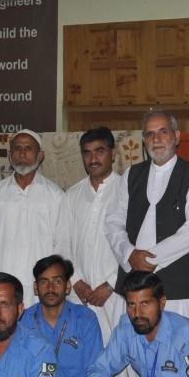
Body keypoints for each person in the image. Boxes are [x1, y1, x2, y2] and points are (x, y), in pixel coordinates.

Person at [106, 111, 189, 324]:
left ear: (176, 136)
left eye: (163, 132)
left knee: (177, 342)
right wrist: (129, 254)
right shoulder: (131, 175)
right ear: (144, 141)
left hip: (177, 291)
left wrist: (150, 259)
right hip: (132, 286)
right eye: (150, 134)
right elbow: (113, 222)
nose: (156, 139)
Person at [0, 129, 70, 298]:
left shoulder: (54, 194)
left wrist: (54, 283)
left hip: (42, 285)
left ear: (41, 155)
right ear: (10, 155)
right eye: (17, 148)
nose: (22, 154)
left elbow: (62, 243)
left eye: (28, 148)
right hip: (5, 282)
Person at [66, 127, 126, 341]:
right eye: (87, 153)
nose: (93, 159)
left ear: (114, 153)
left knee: (117, 351)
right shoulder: (71, 195)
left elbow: (135, 245)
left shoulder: (127, 191)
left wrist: (111, 284)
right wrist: (75, 281)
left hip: (115, 295)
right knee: (79, 350)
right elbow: (63, 243)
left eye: (99, 151)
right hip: (78, 295)